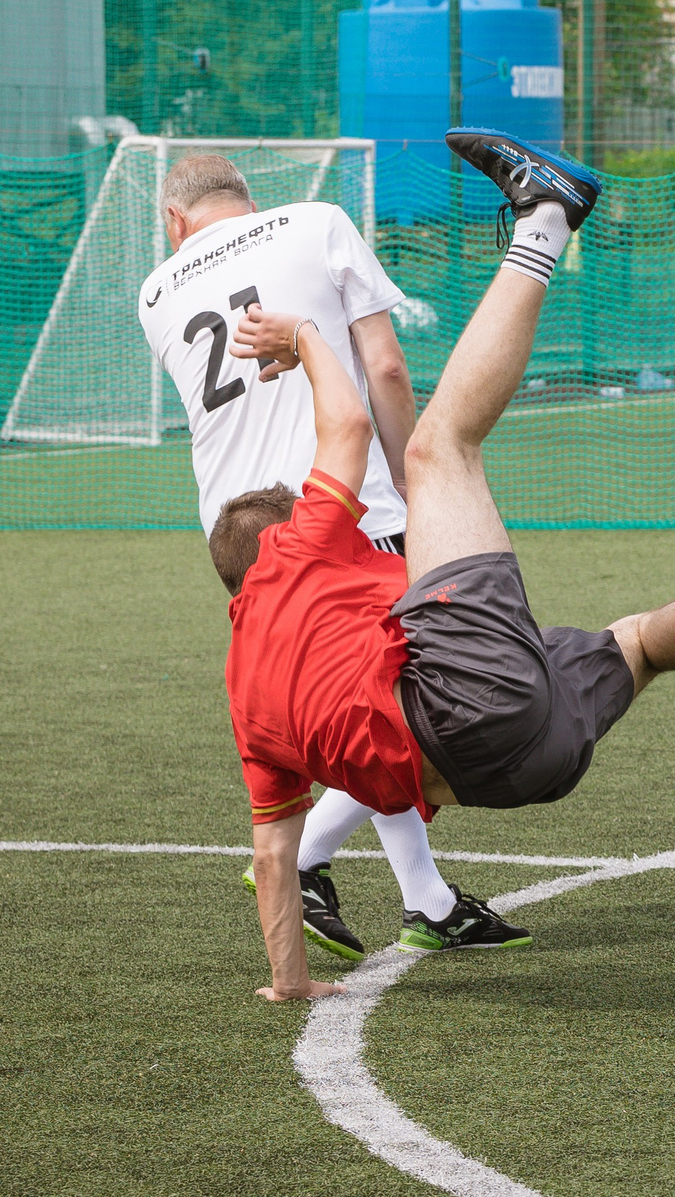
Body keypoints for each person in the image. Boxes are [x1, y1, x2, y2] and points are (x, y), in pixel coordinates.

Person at [218, 128, 675, 1001]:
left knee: (639, 647)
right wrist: (305, 336)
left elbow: (271, 859)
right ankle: (546, 215)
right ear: (278, 541)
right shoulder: (295, 552)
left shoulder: (246, 700)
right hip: (462, 699)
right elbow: (349, 426)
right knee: (439, 450)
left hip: (510, 771)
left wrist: (288, 981)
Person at [137, 152, 502, 962]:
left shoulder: (155, 292)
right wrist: (421, 486)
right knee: (405, 701)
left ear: (174, 222)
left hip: (237, 537)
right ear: (251, 199)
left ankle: (428, 900)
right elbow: (386, 368)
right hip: (340, 507)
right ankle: (304, 859)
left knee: (362, 696)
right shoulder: (314, 222)